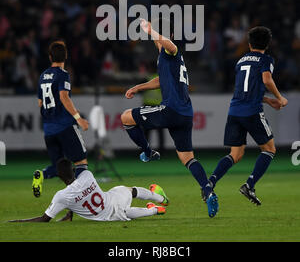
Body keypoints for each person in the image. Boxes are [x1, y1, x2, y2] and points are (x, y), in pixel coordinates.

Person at [121, 18, 219, 218]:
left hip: (172, 110)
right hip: (185, 114)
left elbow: (171, 46)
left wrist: (151, 31)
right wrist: (138, 87)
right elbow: (160, 80)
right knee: (187, 157)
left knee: (125, 117)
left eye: (158, 34)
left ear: (166, 35)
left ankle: (148, 153)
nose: (156, 39)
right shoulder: (166, 59)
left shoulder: (171, 51)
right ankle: (208, 192)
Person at [207, 26, 288, 205]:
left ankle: (210, 182)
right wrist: (279, 98)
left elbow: (246, 89)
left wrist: (267, 101)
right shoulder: (266, 59)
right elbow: (266, 80)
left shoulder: (241, 60)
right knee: (269, 149)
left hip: (235, 110)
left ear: (249, 44)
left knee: (235, 154)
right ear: (267, 44)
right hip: (252, 111)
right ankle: (249, 184)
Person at [11, 159, 168, 222]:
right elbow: (80, 185)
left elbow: (44, 219)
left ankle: (154, 210)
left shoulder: (62, 197)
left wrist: (18, 221)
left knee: (123, 212)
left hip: (105, 215)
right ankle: (160, 198)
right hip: (111, 199)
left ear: (59, 176)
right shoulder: (87, 175)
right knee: (129, 190)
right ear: (73, 170)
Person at [32, 41, 89, 198]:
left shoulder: (43, 76)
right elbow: (64, 97)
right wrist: (79, 118)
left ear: (50, 57)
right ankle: (83, 200)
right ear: (66, 56)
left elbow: (40, 103)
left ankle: (42, 174)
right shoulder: (63, 74)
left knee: (61, 168)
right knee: (81, 162)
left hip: (49, 130)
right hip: (65, 126)